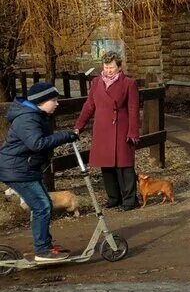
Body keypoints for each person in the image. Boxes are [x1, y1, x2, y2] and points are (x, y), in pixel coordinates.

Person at [0, 82, 80, 262]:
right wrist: (65, 136)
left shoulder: (35, 115)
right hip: (16, 170)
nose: (57, 103)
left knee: (44, 205)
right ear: (41, 101)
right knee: (42, 206)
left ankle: (45, 246)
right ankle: (42, 250)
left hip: (24, 168)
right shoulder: (27, 118)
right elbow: (37, 143)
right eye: (54, 100)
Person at [74, 51, 141, 211]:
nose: (109, 70)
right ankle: (114, 198)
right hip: (102, 128)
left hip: (121, 128)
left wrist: (133, 131)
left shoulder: (129, 84)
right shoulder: (96, 82)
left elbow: (133, 109)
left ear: (119, 67)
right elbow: (89, 105)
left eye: (111, 67)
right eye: (106, 67)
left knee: (124, 165)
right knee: (107, 165)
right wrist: (78, 126)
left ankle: (130, 200)